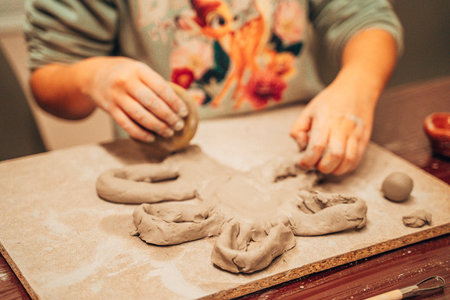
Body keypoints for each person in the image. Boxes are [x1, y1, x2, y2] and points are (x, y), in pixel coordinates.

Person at [24, 0, 402, 175]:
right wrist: (92, 77)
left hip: (298, 140)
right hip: (157, 160)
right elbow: (49, 77)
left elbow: (367, 17)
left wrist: (357, 84)